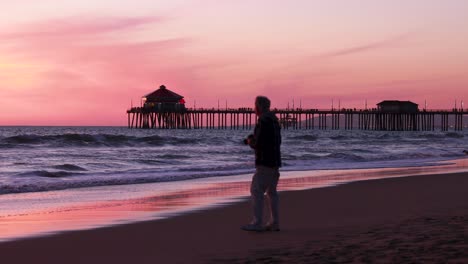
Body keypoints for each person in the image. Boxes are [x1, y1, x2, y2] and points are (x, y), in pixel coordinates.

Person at [242, 96, 282, 232]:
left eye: (255, 106)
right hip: (275, 162)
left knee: (256, 190)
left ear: (258, 107)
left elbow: (258, 144)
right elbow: (276, 142)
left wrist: (249, 141)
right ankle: (274, 222)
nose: (254, 109)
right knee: (272, 192)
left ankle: (257, 222)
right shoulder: (275, 121)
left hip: (265, 162)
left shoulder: (263, 121)